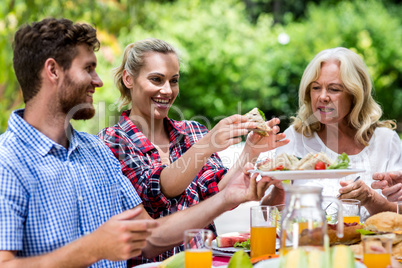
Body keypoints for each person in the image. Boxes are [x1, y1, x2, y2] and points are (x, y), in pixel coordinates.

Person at [0, 18, 277, 267]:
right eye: (88, 69)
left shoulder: (94, 153)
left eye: (174, 80)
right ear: (53, 71)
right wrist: (91, 248)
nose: (98, 81)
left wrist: (229, 195)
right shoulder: (7, 161)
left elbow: (150, 237)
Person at [97, 38, 289, 264]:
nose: (167, 90)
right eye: (156, 79)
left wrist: (250, 151)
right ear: (129, 79)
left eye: (174, 80)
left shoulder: (193, 131)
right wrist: (206, 145)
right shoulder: (112, 141)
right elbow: (159, 190)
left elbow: (217, 192)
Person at [262, 47, 402, 219]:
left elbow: (399, 214)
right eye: (315, 88)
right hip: (307, 244)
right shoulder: (295, 137)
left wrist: (370, 199)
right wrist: (279, 189)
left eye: (334, 89)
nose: (322, 97)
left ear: (355, 94)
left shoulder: (385, 141)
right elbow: (267, 215)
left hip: (372, 245)